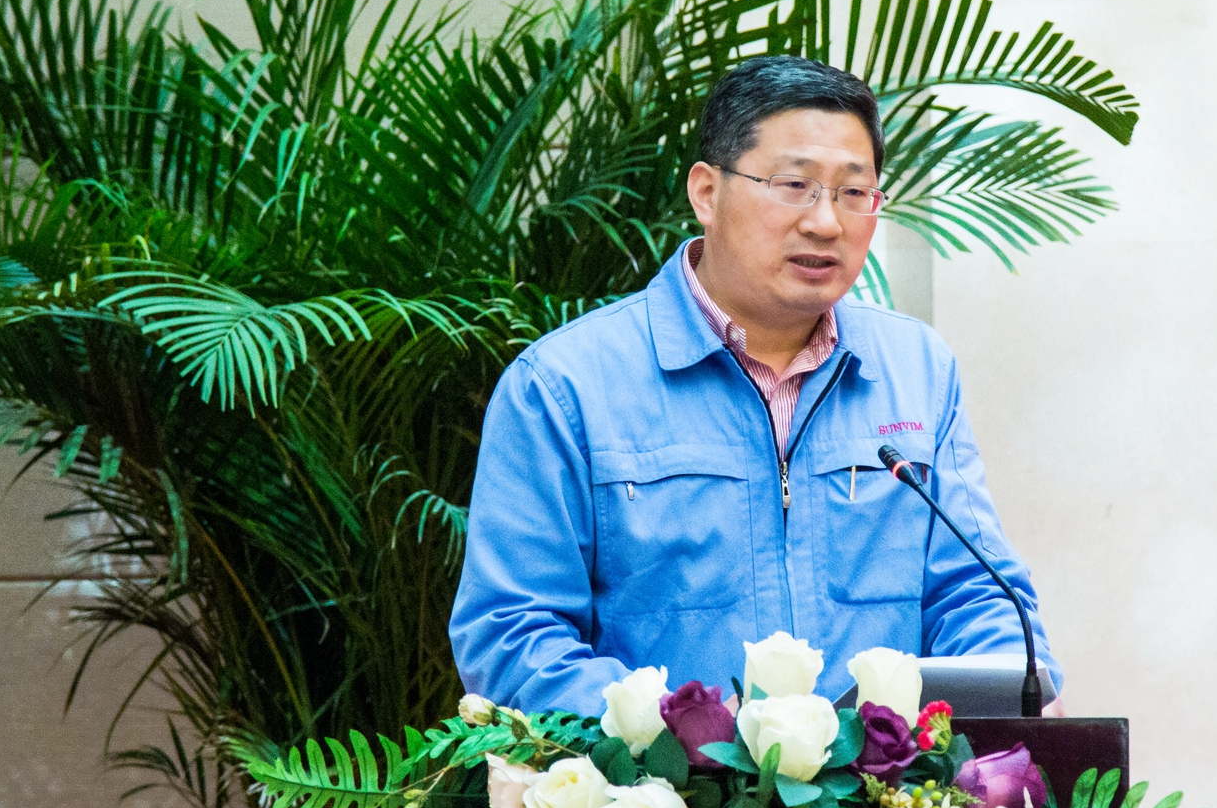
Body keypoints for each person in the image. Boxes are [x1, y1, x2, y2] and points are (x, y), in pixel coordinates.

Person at [449, 55, 1061, 716]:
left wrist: (1016, 687)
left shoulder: (915, 370)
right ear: (706, 193)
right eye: (794, 185)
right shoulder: (563, 387)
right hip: (661, 781)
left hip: (886, 783)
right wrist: (691, 742)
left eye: (854, 192)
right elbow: (513, 638)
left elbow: (975, 594)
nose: (825, 222)